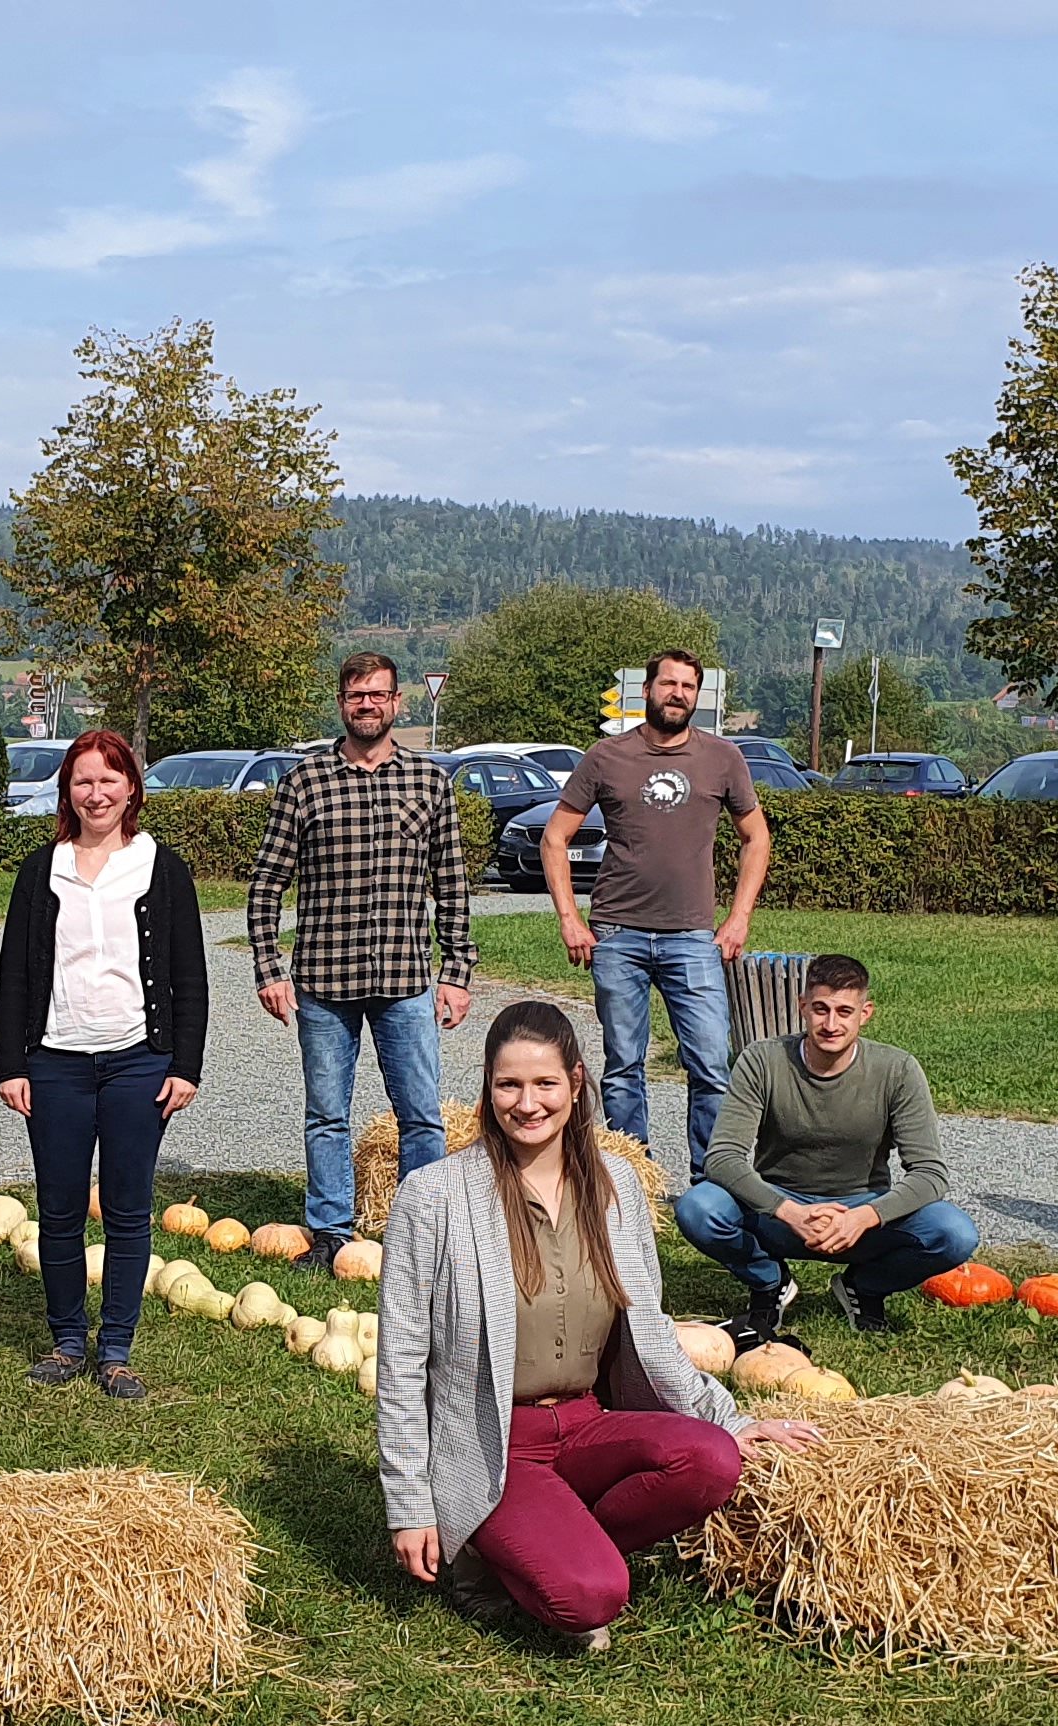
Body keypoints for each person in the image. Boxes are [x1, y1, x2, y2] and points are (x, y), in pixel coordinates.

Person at [376, 1001, 821, 1647]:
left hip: (588, 1423)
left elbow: (649, 1325)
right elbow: (402, 1362)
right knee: (594, 1597)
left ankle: (549, 1538)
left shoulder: (615, 1183)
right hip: (495, 1444)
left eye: (545, 1083)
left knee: (711, 1460)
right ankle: (499, 1548)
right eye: (509, 1085)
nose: (527, 1103)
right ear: (488, 1089)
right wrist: (411, 1503)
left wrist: (732, 1420)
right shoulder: (435, 1195)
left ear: (576, 1083)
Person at [0, 730, 209, 1400]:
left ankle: (115, 1348)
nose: (96, 794)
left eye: (109, 780)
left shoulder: (162, 869)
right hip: (54, 1061)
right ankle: (66, 1340)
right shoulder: (41, 869)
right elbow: (13, 978)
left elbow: (190, 979)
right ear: (67, 791)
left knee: (126, 1208)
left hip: (139, 1064)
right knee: (58, 1208)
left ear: (132, 789)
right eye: (83, 782)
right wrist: (12, 1063)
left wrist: (186, 1065)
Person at [249, 651, 475, 1267]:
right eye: (356, 696)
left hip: (407, 981)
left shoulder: (429, 783)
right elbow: (267, 883)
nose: (367, 704)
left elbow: (450, 885)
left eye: (378, 694)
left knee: (422, 1116)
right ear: (342, 704)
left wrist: (455, 973)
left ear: (397, 702)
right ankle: (331, 1231)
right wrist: (270, 969)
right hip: (324, 980)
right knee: (327, 1113)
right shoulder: (305, 782)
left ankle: (423, 1232)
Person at [673, 954, 977, 1341]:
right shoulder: (762, 1061)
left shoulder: (897, 1070)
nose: (831, 1024)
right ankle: (769, 1281)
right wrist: (789, 1211)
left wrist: (866, 1216)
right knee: (699, 1208)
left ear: (865, 1013)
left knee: (954, 1233)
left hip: (861, 1212)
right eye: (820, 1009)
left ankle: (865, 1287)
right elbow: (722, 1158)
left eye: (844, 1011)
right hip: (779, 1211)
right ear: (803, 1007)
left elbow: (930, 1175)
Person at [545, 649, 770, 1174]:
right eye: (668, 684)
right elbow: (556, 838)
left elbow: (756, 836)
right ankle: (633, 1181)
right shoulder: (606, 756)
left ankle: (713, 1184)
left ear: (698, 696)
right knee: (623, 1067)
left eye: (688, 687)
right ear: (645, 691)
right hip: (617, 934)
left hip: (693, 936)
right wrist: (569, 918)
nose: (677, 694)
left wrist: (739, 918)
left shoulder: (722, 758)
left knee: (712, 1066)